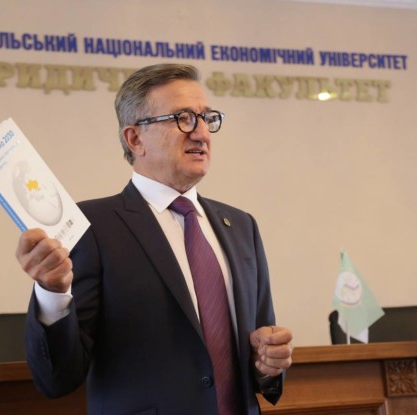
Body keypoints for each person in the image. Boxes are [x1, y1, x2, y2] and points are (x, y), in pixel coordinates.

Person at [16, 63, 293, 415]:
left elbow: (260, 345)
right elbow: (58, 378)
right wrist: (52, 293)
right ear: (135, 139)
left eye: (207, 118)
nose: (201, 133)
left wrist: (268, 362)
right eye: (183, 118)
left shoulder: (240, 226)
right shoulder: (91, 226)